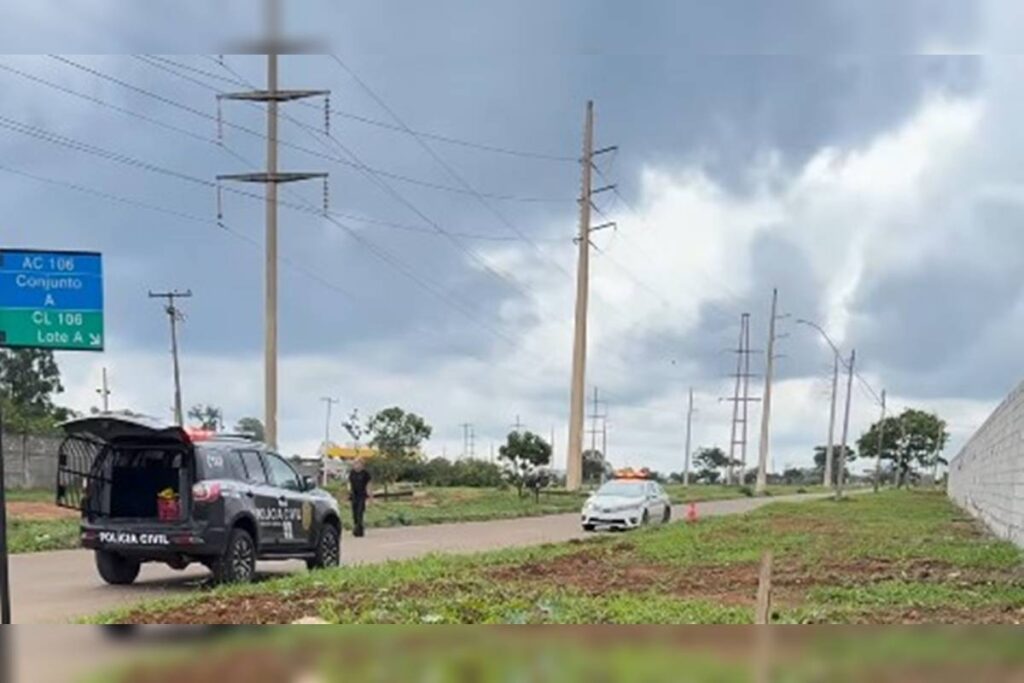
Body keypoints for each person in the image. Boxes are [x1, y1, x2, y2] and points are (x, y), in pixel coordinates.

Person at [348, 458, 372, 537]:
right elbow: (349, 483)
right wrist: (349, 491)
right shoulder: (352, 473)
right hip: (354, 495)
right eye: (355, 464)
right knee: (354, 513)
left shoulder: (365, 474)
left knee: (360, 513)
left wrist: (370, 495)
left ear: (362, 465)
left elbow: (368, 484)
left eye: (358, 464)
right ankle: (356, 527)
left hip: (362, 495)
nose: (356, 465)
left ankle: (359, 530)